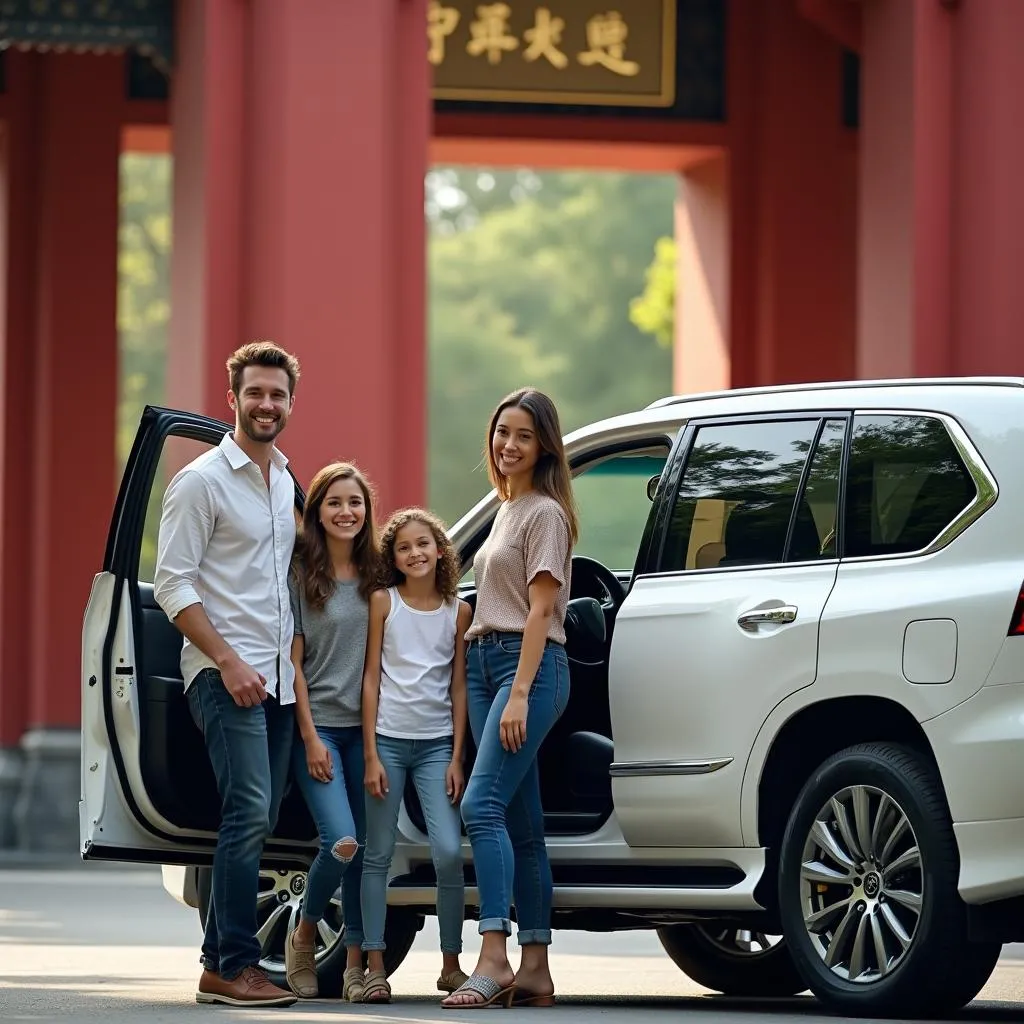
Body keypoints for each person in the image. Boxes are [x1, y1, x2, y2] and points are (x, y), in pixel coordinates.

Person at [154, 340, 301, 1008]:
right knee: (246, 811)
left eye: (277, 394)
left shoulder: (282, 481)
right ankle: (232, 964)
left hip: (273, 678)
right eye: (255, 393)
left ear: (289, 403)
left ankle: (221, 961)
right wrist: (229, 660)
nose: (266, 404)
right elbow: (172, 586)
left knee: (258, 814)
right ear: (232, 399)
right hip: (223, 674)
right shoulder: (202, 481)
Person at [442, 387, 578, 1010]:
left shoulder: (544, 512)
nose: (508, 444)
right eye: (501, 432)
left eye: (523, 435)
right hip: (489, 663)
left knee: (481, 806)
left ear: (543, 444)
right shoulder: (507, 509)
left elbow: (542, 609)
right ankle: (536, 969)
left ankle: (492, 956)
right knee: (523, 828)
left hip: (528, 669)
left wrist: (520, 693)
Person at [360, 508, 472, 1004]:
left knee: (448, 852)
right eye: (404, 547)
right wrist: (369, 753)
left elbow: (459, 686)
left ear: (441, 549)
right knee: (378, 855)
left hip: (435, 749)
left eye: (424, 543)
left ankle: (451, 964)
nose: (415, 553)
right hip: (386, 742)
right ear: (394, 558)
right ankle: (375, 966)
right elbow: (369, 678)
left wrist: (456, 758)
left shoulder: (458, 611)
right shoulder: (384, 603)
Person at [284, 462, 380, 1002]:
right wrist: (311, 738)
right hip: (318, 730)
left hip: (364, 732)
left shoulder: (377, 575)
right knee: (341, 842)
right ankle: (303, 931)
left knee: (362, 853)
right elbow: (293, 663)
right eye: (335, 503)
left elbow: (379, 664)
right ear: (317, 511)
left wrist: (372, 747)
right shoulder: (302, 574)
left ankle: (352, 969)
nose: (346, 512)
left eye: (356, 503)